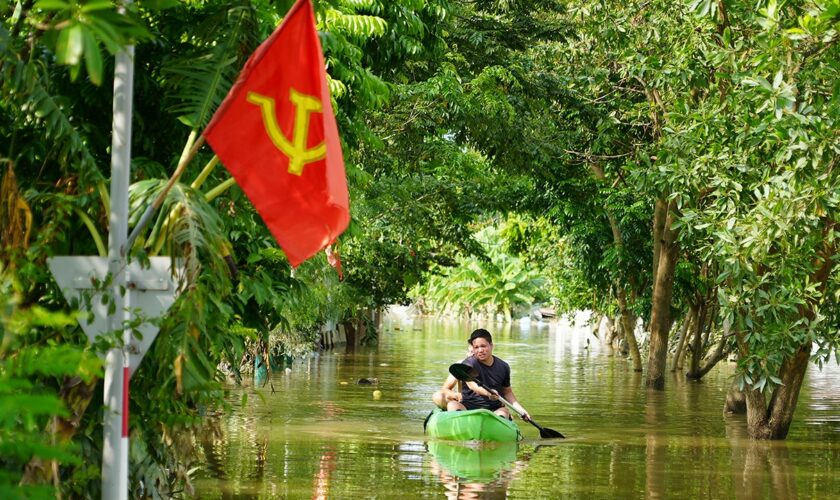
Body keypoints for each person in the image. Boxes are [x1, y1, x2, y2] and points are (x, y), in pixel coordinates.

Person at [446, 329, 530, 421]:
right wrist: (488, 393)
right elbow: (473, 386)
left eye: (483, 346)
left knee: (504, 411)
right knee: (452, 405)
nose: (480, 350)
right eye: (476, 347)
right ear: (473, 349)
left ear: (491, 345)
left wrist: (520, 410)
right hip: (468, 407)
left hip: (494, 409)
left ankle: (498, 423)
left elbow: (507, 392)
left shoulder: (504, 366)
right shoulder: (468, 364)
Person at [432, 343, 473, 409]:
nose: (470, 355)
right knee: (438, 396)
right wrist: (456, 395)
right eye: (469, 351)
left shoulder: (489, 364)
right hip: (463, 402)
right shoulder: (460, 364)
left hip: (483, 403)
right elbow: (445, 388)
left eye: (473, 353)